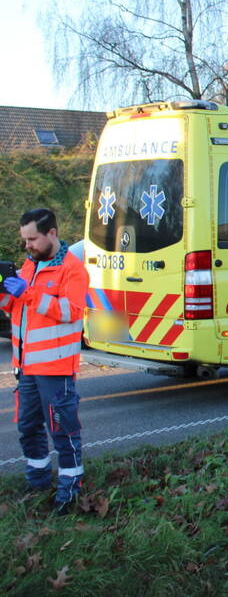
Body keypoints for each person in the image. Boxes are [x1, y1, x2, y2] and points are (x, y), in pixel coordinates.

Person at [0, 209, 88, 514]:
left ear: (52, 233)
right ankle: (37, 482)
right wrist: (4, 294)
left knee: (63, 431)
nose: (28, 246)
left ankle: (69, 491)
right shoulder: (30, 265)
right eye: (24, 240)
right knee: (28, 427)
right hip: (27, 367)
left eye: (33, 239)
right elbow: (16, 309)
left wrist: (29, 293)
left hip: (56, 369)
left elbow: (71, 311)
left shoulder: (72, 269)